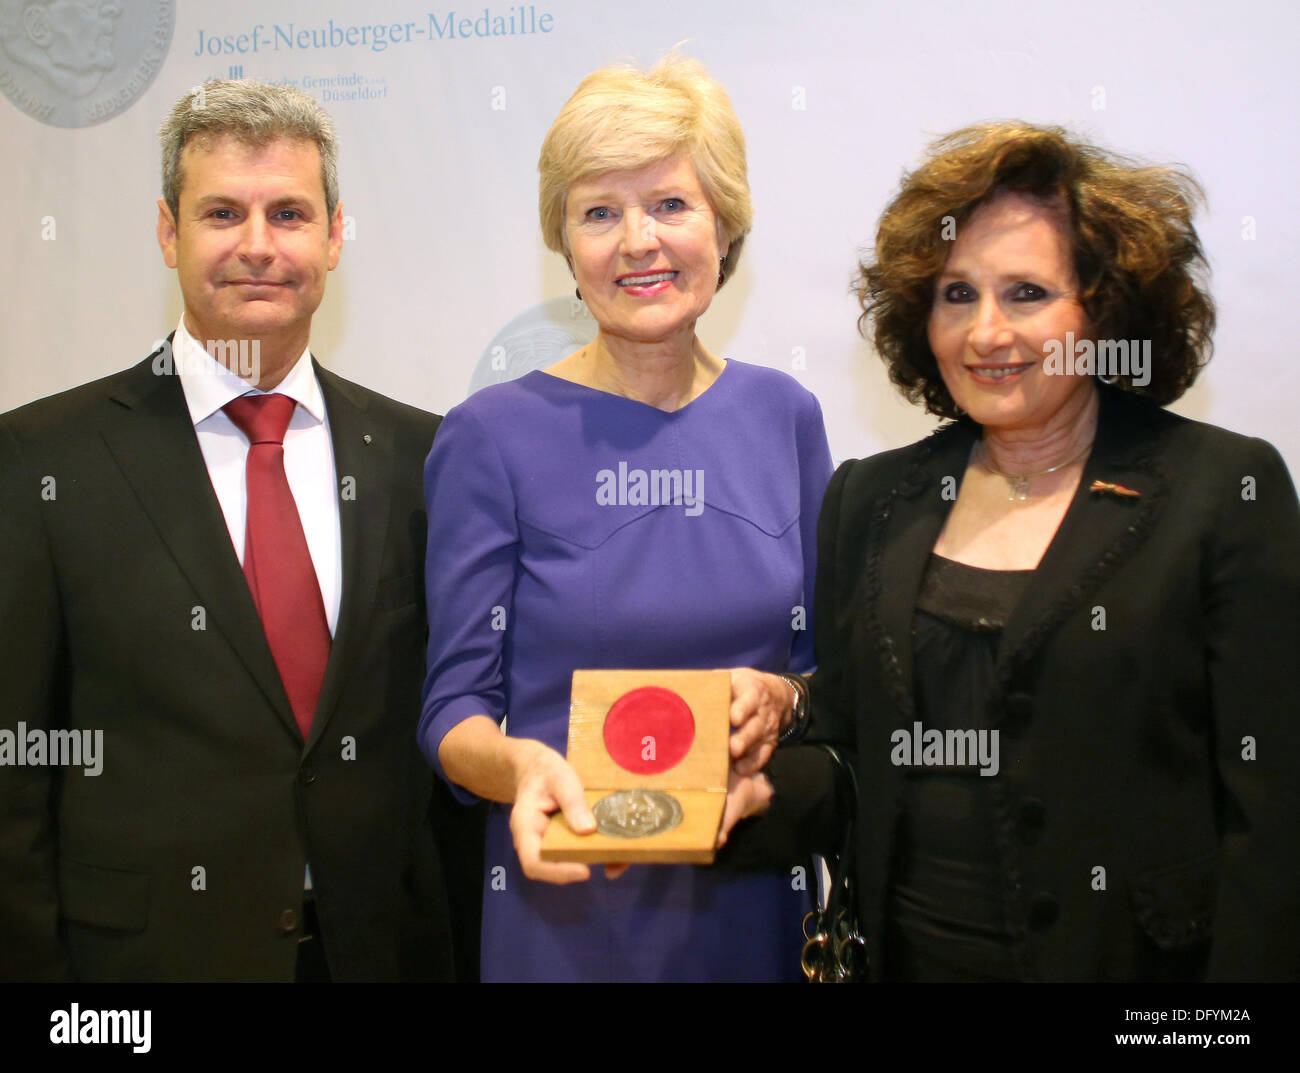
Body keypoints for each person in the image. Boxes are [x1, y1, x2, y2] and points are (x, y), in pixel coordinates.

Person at [722, 122, 1300, 981]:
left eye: (1026, 293)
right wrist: (731, 804)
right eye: (958, 295)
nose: (987, 332)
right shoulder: (871, 498)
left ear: (1103, 309)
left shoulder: (1223, 492)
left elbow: (1275, 814)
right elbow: (853, 751)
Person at [0, 79, 470, 982]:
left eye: (289, 213)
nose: (258, 246)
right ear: (170, 232)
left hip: (379, 952)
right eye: (222, 212)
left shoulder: (425, 454)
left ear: (335, 235)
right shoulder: (39, 461)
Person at [420, 55, 833, 982]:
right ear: (565, 246)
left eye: (670, 205)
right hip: (567, 907)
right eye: (599, 211)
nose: (638, 241)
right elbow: (453, 710)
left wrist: (789, 701)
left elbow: (826, 670)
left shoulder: (786, 417)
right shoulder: (490, 436)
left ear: (724, 226)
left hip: (759, 902)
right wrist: (520, 769)